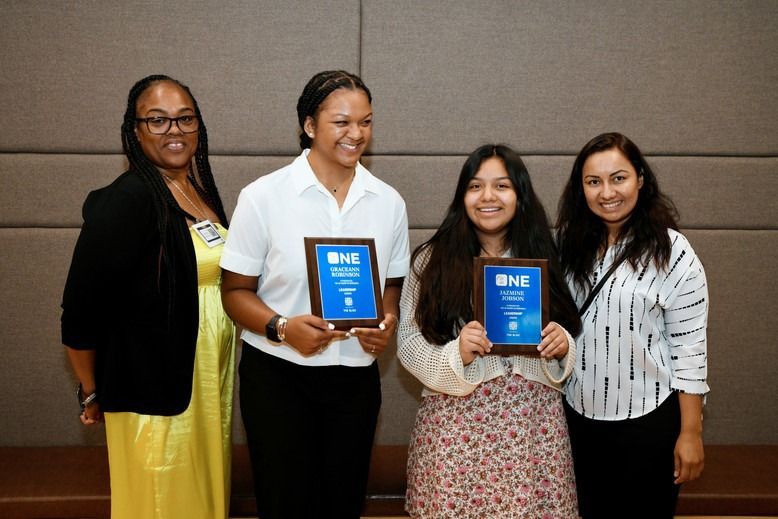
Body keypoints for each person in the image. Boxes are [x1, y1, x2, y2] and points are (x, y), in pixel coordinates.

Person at [219, 70, 410, 519]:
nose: (356, 134)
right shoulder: (263, 196)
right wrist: (282, 327)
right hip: (278, 377)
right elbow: (235, 290)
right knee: (285, 504)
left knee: (343, 504)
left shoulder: (388, 202)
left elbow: (391, 284)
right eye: (342, 122)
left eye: (365, 122)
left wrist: (387, 321)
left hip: (355, 380)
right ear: (309, 125)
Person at [61, 74, 235, 519]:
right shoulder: (127, 200)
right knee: (162, 504)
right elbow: (79, 312)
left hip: (202, 384)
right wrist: (91, 391)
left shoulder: (197, 191)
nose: (174, 130)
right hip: (153, 389)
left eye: (185, 119)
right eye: (157, 120)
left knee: (199, 500)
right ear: (134, 131)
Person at [397, 144, 582, 518]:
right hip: (454, 429)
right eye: (475, 186)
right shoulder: (431, 260)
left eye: (502, 186)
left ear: (520, 195)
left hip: (532, 428)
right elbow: (408, 343)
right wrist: (457, 353)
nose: (487, 197)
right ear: (462, 196)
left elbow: (570, 328)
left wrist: (562, 344)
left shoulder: (548, 256)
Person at [556, 132, 709, 517]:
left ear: (640, 178)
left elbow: (689, 350)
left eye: (618, 178)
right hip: (577, 420)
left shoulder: (672, 252)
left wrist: (691, 433)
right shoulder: (568, 247)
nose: (607, 192)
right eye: (594, 181)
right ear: (581, 189)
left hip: (648, 424)